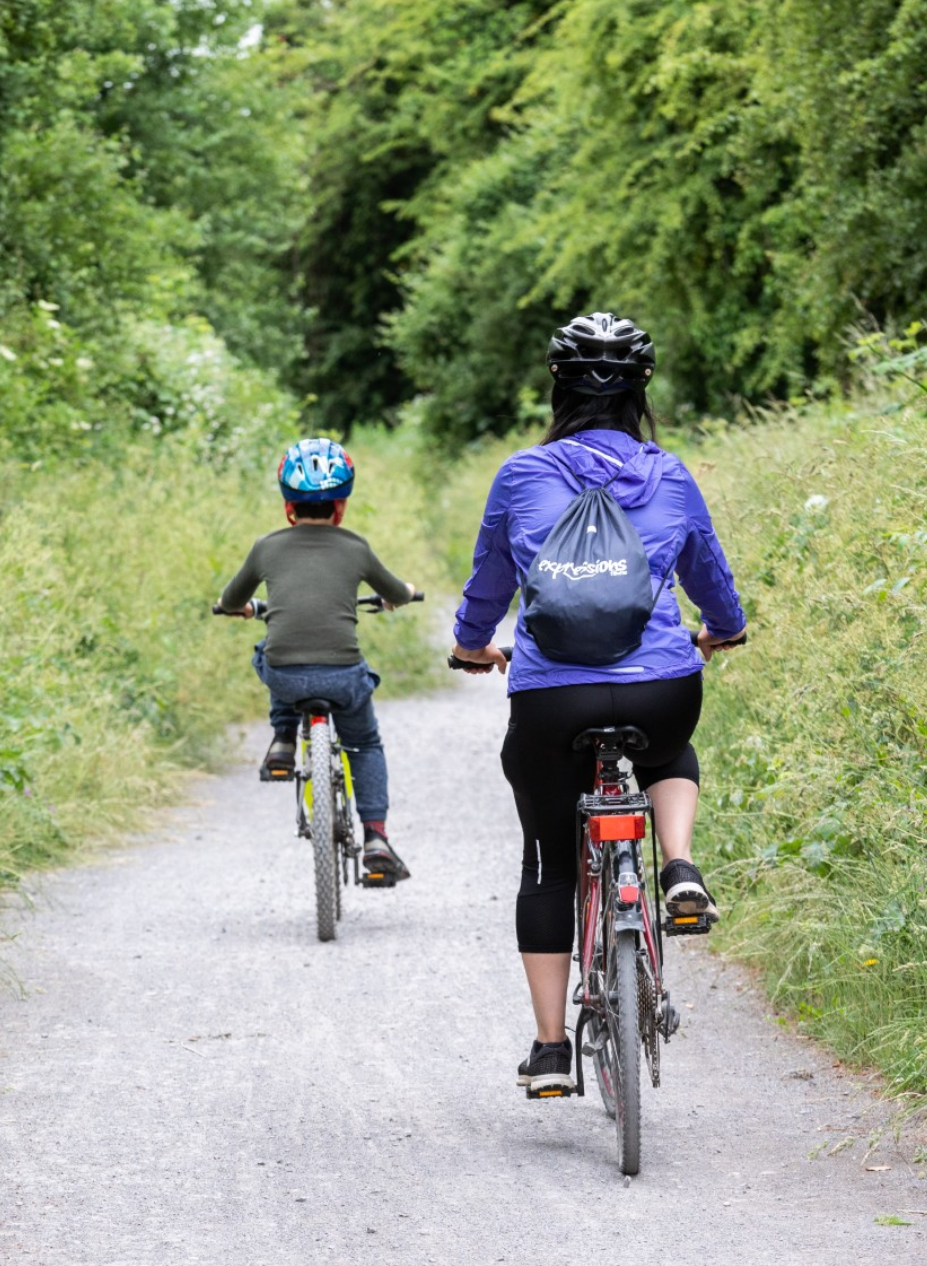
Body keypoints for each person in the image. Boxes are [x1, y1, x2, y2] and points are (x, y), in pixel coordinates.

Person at [449, 312, 747, 1092]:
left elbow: (489, 581)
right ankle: (678, 864)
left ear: (557, 386)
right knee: (667, 747)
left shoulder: (522, 474)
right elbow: (709, 576)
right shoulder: (670, 473)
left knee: (547, 862)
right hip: (660, 690)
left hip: (551, 698)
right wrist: (724, 631)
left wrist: (470, 644)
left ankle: (551, 1048)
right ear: (642, 391)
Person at [219, 437, 419, 882]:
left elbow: (232, 599)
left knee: (268, 654)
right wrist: (402, 596)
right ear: (341, 506)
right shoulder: (356, 547)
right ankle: (376, 837)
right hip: (343, 678)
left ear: (288, 508)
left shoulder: (265, 547)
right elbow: (396, 592)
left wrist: (243, 608)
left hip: (287, 678)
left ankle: (284, 740)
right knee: (364, 743)